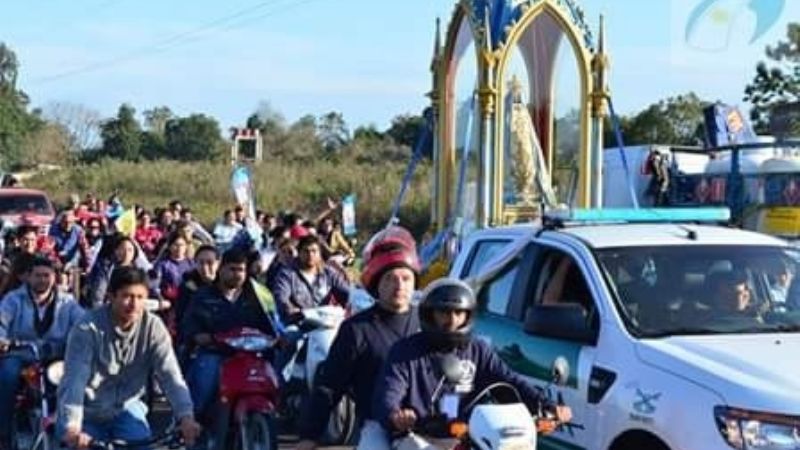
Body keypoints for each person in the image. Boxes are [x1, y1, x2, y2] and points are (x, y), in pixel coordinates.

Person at [369, 279, 571, 450]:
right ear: (430, 314)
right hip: (418, 436)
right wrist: (396, 414)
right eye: (444, 312)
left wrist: (546, 405)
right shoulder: (406, 351)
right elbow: (389, 391)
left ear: (469, 315)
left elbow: (508, 381)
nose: (452, 319)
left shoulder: (477, 349)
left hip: (469, 437)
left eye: (459, 312)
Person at [294, 227, 421, 450]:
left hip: (428, 425)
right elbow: (330, 385)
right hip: (377, 425)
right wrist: (309, 435)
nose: (399, 285)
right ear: (375, 284)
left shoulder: (429, 323)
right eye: (390, 278)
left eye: (406, 278)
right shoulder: (357, 329)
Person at [57, 267, 201, 449]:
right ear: (111, 296)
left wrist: (186, 416)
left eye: (140, 297)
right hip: (87, 410)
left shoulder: (154, 327)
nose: (133, 304)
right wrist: (73, 427)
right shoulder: (87, 328)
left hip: (127, 408)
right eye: (127, 296)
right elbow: (75, 380)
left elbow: (170, 375)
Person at [179, 249, 278, 424]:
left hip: (251, 355)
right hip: (215, 353)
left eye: (241, 270)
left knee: (276, 378)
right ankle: (193, 424)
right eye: (232, 269)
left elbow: (272, 323)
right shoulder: (203, 296)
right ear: (221, 269)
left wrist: (278, 337)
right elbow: (188, 326)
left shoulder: (258, 296)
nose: (237, 274)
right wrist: (200, 336)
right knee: (203, 385)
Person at [0, 257, 84, 450]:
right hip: (20, 353)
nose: (42, 280)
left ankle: (73, 431)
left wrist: (89, 335)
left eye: (47, 275)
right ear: (28, 277)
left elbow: (83, 323)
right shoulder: (13, 299)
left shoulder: (67, 302)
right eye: (37, 275)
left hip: (56, 357)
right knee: (6, 376)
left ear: (54, 278)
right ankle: (3, 433)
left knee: (75, 381)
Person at [271, 235, 350, 324]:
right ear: (299, 253)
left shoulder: (329, 273)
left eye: (314, 251)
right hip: (298, 324)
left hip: (326, 323)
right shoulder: (286, 274)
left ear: (319, 253)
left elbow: (346, 293)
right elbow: (281, 296)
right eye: (306, 251)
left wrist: (352, 303)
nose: (310, 255)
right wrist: (289, 309)